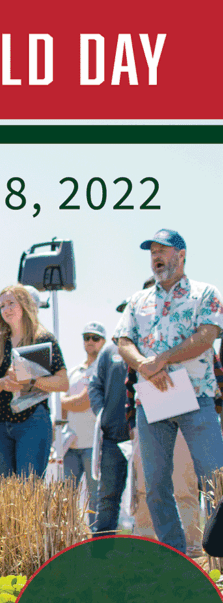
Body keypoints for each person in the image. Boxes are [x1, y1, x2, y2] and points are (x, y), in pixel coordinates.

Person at [115, 229, 223, 554]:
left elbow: (207, 335)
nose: (156, 257)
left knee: (215, 480)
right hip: (152, 400)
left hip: (197, 397)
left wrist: (162, 359)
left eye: (163, 250)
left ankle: (218, 554)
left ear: (182, 255)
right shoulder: (138, 300)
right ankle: (175, 554)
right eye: (152, 252)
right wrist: (144, 366)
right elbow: (123, 341)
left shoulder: (205, 293)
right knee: (156, 487)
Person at [0, 284, 68, 477]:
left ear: (24, 305)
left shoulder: (43, 339)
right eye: (2, 306)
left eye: (11, 303)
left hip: (33, 421)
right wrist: (2, 383)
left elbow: (62, 383)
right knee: (8, 492)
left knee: (29, 490)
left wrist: (31, 380)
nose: (6, 309)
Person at [61, 321, 107, 525]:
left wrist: (62, 400)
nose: (90, 341)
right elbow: (63, 406)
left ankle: (96, 544)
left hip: (94, 444)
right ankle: (68, 541)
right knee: (66, 498)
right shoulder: (73, 372)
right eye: (86, 337)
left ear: (103, 342)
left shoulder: (103, 370)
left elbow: (83, 401)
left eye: (95, 338)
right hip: (70, 443)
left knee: (95, 499)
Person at [88, 338, 130, 534]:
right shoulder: (108, 352)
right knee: (107, 497)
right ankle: (102, 552)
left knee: (150, 493)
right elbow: (94, 386)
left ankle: (148, 549)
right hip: (113, 437)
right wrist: (103, 415)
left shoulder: (151, 344)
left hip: (148, 434)